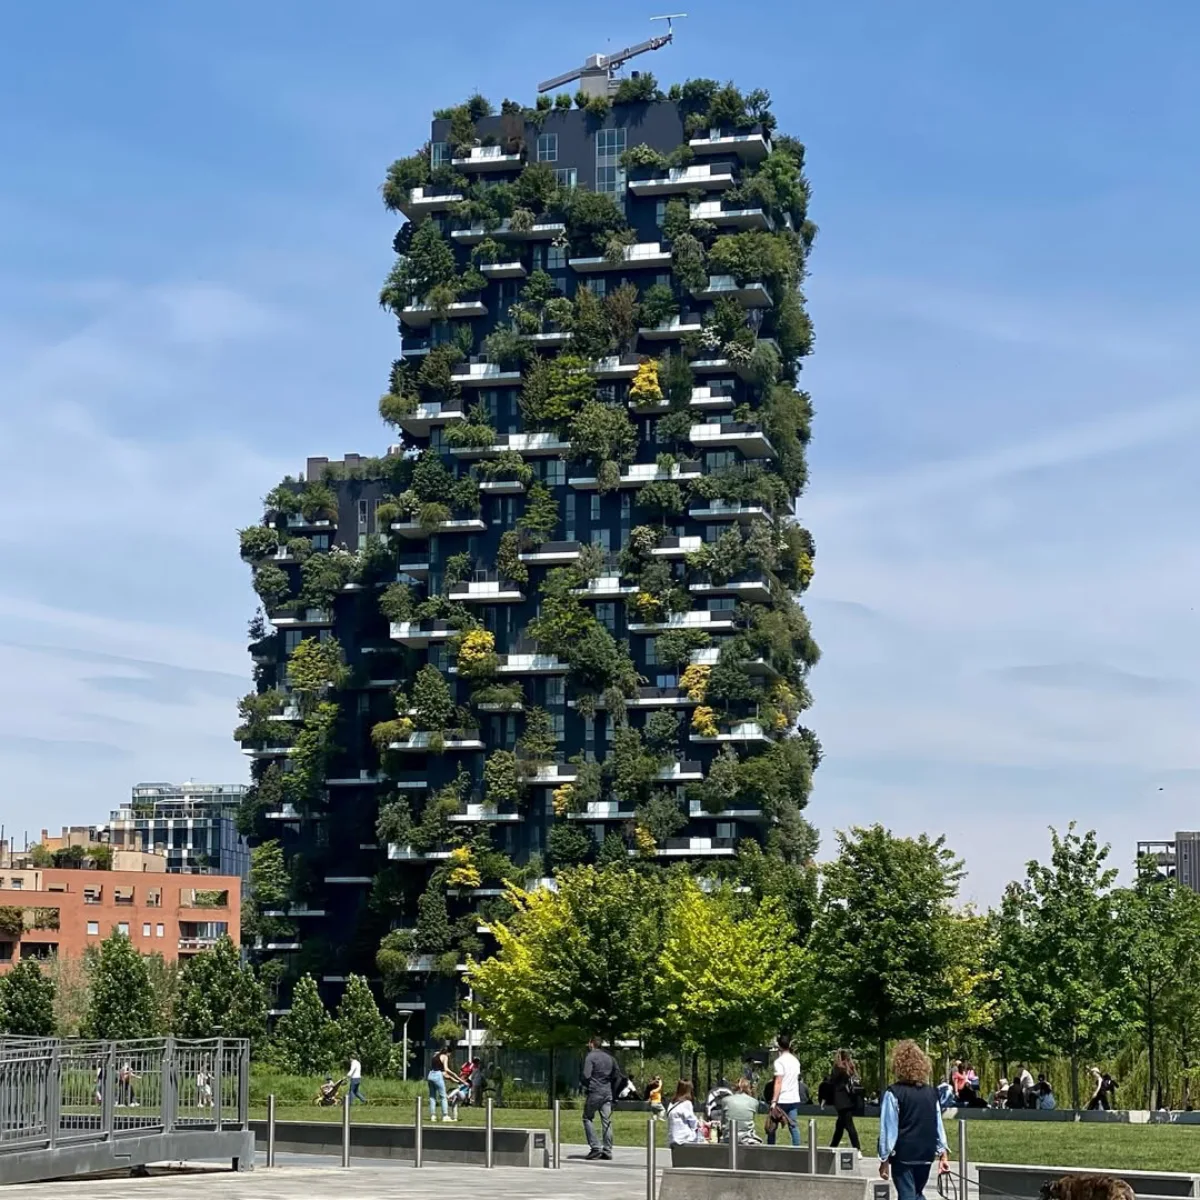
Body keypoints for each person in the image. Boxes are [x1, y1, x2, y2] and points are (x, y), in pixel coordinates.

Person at [878, 1040, 951, 1200]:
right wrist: (943, 1153)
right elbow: (937, 1124)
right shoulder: (932, 1093)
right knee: (916, 1193)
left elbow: (888, 1128)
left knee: (907, 1194)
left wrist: (884, 1158)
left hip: (904, 1153)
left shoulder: (894, 1093)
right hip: (926, 1153)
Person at [581, 1036, 620, 1161]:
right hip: (607, 1092)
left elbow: (586, 1075)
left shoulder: (590, 1056)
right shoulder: (610, 1057)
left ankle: (595, 1148)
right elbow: (617, 1075)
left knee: (587, 1117)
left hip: (595, 1091)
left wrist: (587, 1085)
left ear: (591, 1044)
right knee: (606, 1121)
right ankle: (607, 1150)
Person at [767, 1033, 803, 1147]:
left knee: (772, 1125)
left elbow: (778, 1081)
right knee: (793, 1125)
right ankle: (797, 1147)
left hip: (782, 1098)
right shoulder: (795, 1061)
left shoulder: (779, 1061)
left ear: (779, 1046)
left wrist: (773, 1101)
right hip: (793, 1097)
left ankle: (770, 1147)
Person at [830, 1049, 862, 1152]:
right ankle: (833, 1146)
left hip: (840, 1100)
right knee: (840, 1126)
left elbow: (832, 1082)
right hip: (850, 1099)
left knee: (849, 1125)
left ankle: (857, 1148)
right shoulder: (850, 1068)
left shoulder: (838, 1068)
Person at [666, 1079, 706, 1146]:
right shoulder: (686, 1103)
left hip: (673, 1138)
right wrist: (701, 1123)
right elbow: (693, 1122)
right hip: (684, 1138)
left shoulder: (672, 1103)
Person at [428, 1042, 460, 1123]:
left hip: (430, 1075)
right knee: (443, 1097)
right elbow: (446, 1069)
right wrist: (453, 1074)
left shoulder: (435, 1055)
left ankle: (433, 1116)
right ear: (448, 1052)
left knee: (432, 1097)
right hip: (438, 1075)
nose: (449, 1056)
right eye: (450, 1054)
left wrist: (453, 1079)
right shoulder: (445, 1056)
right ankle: (445, 1116)